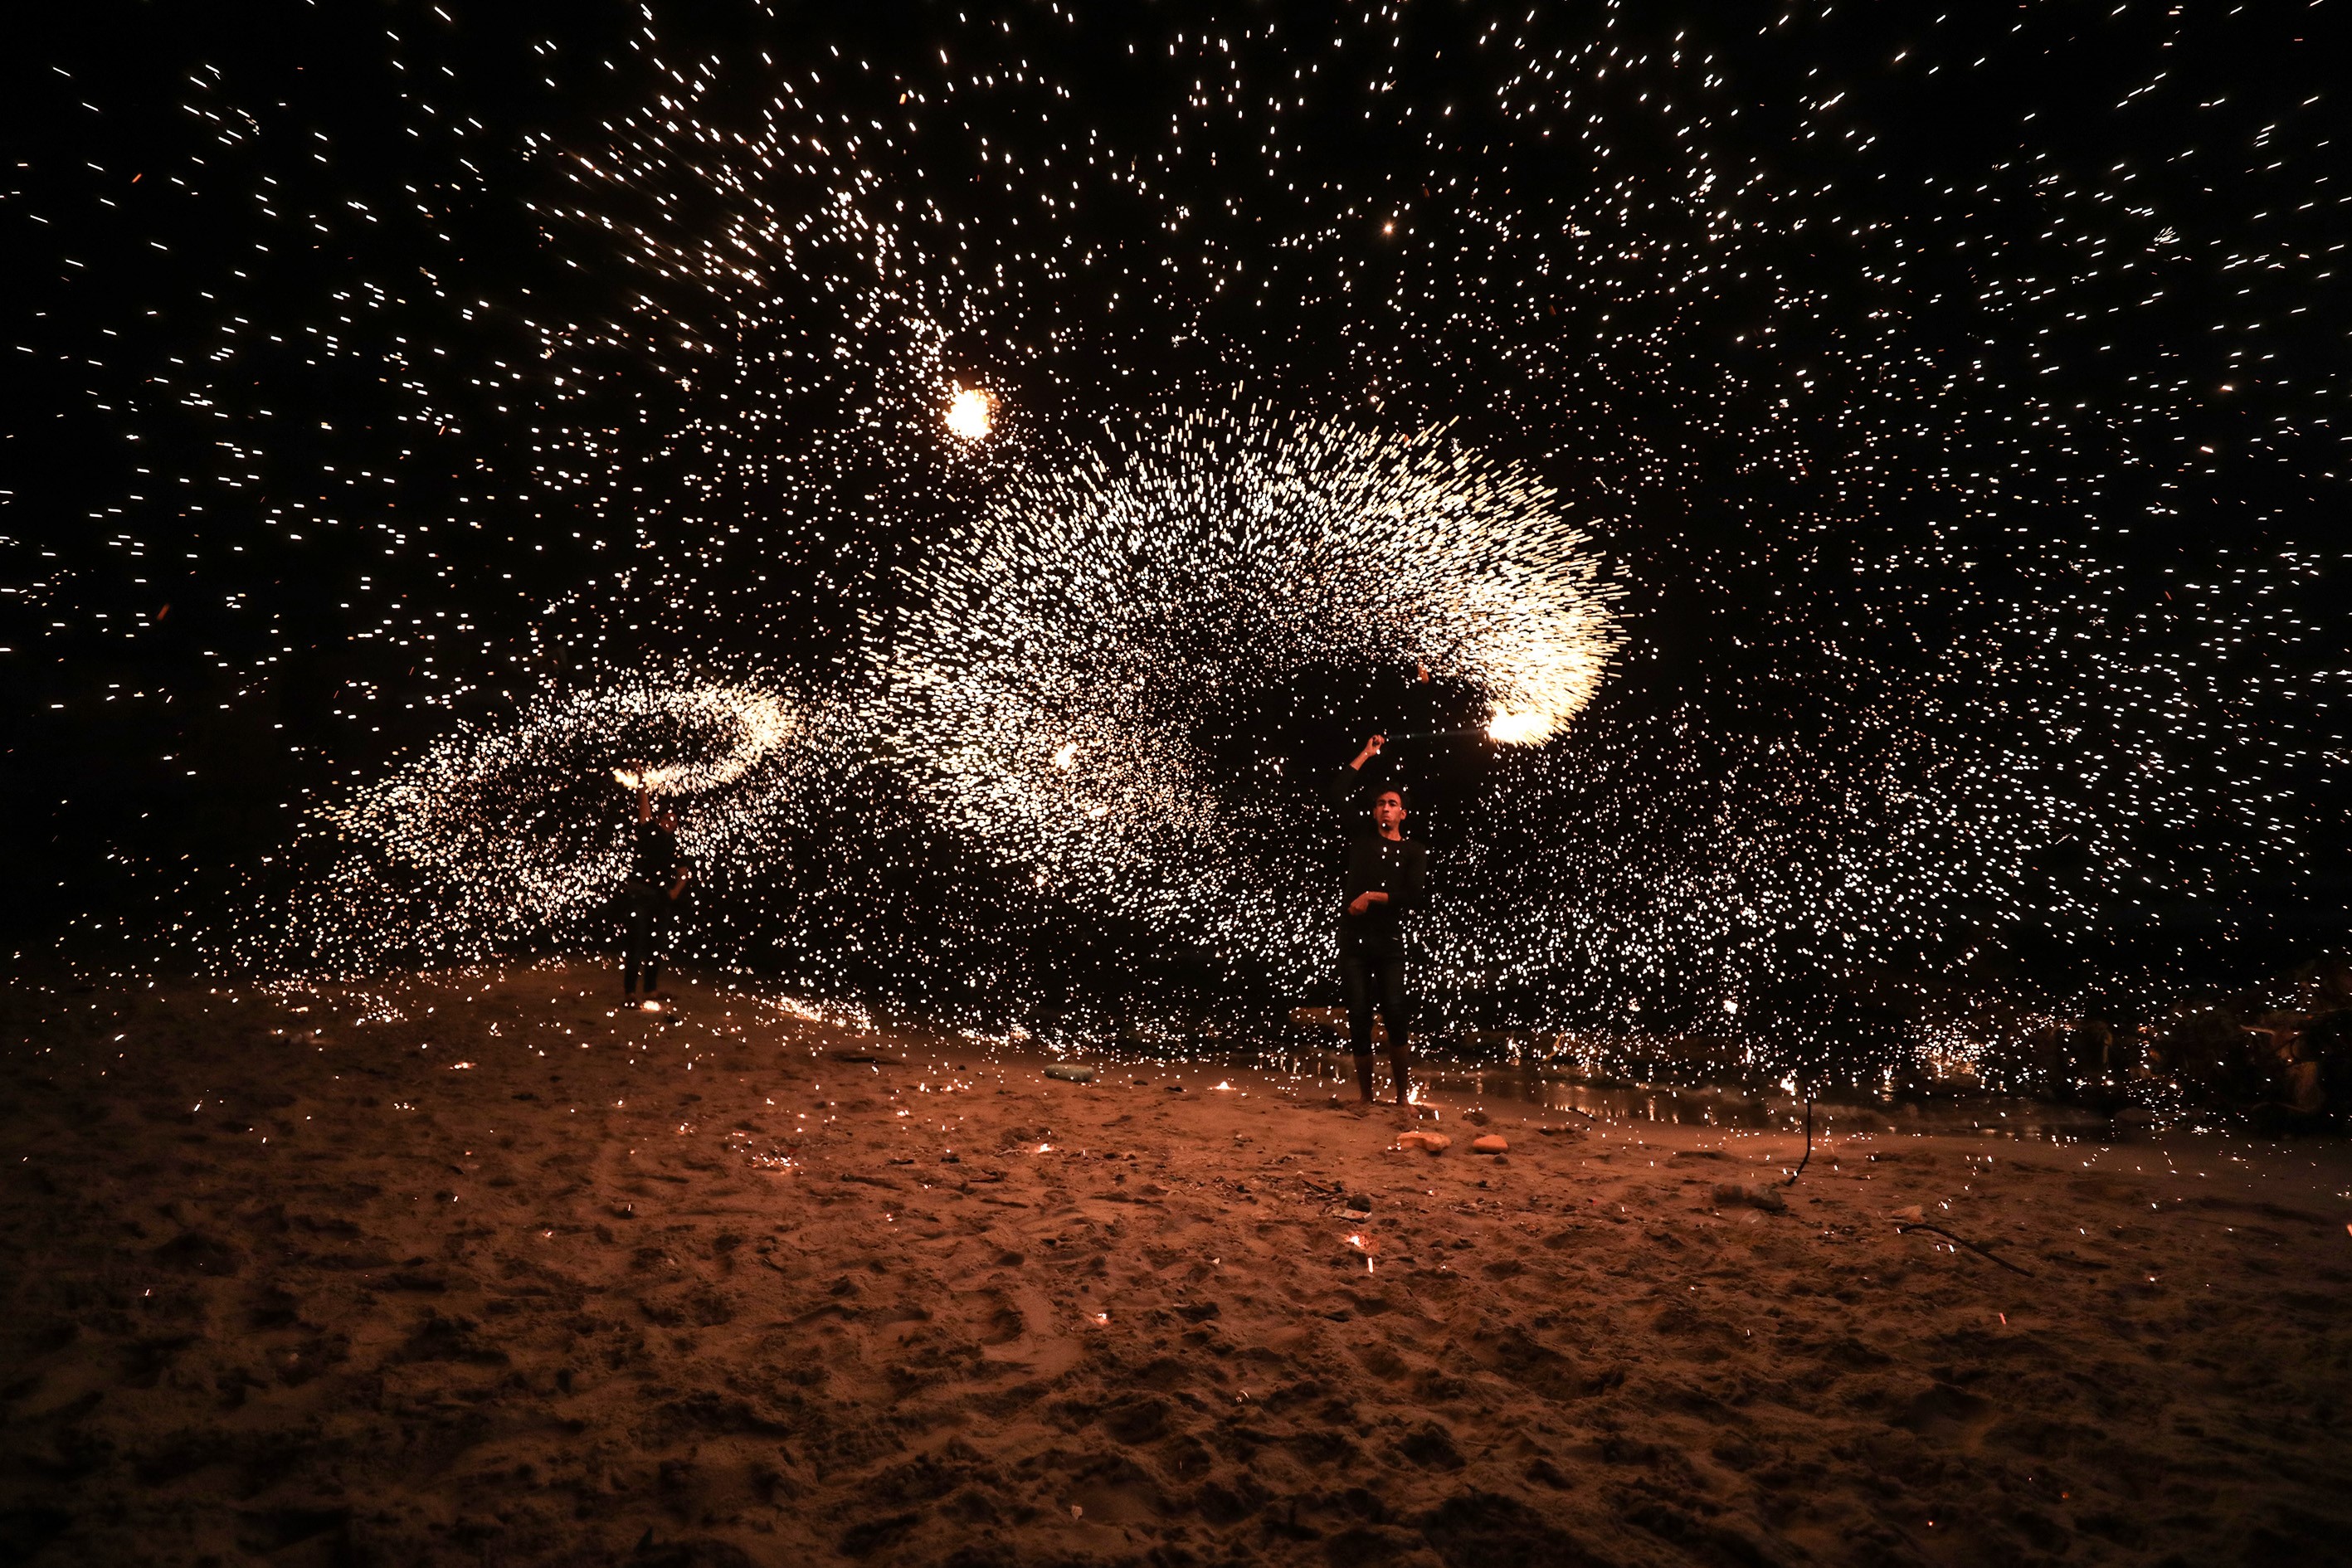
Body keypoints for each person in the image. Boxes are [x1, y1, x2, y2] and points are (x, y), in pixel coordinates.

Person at [1331, 733, 1429, 1108]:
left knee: (1395, 1011)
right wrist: (1365, 755)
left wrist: (1372, 897)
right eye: (1381, 804)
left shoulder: (1414, 851)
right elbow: (1337, 793)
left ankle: (1403, 1098)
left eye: (1393, 804)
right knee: (1358, 1014)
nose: (1386, 808)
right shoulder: (1361, 839)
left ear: (1403, 813)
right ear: (1374, 812)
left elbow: (1414, 897)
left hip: (1388, 944)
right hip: (1354, 942)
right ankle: (1367, 1097)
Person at [623, 779, 690, 1008]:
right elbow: (643, 804)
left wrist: (673, 893)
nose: (671, 822)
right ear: (659, 820)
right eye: (667, 818)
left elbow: (684, 873)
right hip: (640, 894)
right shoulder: (648, 831)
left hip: (660, 897)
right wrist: (641, 778)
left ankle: (650, 989)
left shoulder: (674, 845)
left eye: (674, 821)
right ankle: (630, 993)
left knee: (656, 944)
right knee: (637, 942)